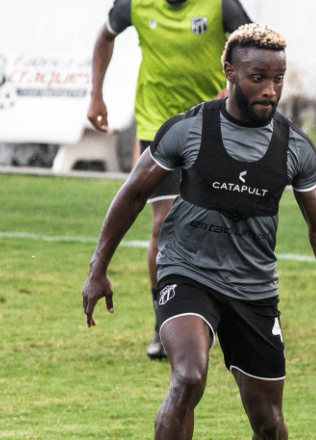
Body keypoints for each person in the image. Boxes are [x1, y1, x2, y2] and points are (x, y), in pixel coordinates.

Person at [82, 24, 316, 440]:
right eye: (258, 78)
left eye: (278, 79)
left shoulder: (294, 148)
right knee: (188, 375)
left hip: (254, 291)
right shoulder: (187, 131)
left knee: (269, 425)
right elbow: (132, 194)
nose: (270, 91)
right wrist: (99, 269)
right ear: (230, 73)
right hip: (188, 273)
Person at [87, 0, 252, 360]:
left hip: (214, 127)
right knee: (163, 225)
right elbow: (105, 36)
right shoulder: (135, 4)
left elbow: (252, 47)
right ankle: (165, 324)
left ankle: (224, 317)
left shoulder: (220, 5)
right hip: (159, 128)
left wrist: (234, 87)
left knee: (218, 225)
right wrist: (96, 94)